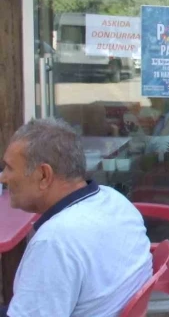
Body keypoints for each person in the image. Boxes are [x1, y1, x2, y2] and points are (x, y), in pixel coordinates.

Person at [0, 118, 152, 317]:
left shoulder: (54, 241)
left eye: (9, 168)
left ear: (44, 175)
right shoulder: (115, 200)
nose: (3, 177)